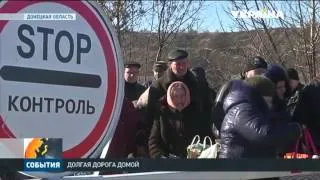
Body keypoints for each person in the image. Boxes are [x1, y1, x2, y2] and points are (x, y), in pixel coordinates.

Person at [218, 76, 302, 158]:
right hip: (236, 167)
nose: (269, 105)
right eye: (268, 101)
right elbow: (263, 134)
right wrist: (295, 129)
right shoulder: (241, 110)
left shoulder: (253, 110)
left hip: (249, 166)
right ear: (259, 97)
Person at [146, 49, 213, 139]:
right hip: (167, 137)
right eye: (177, 64)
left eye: (184, 64)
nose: (181, 67)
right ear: (170, 65)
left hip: (195, 137)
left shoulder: (197, 84)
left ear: (188, 63)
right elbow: (150, 115)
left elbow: (206, 109)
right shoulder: (158, 86)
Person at [149, 81, 198, 158]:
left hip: (192, 162)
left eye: (182, 96)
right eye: (175, 96)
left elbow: (204, 136)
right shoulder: (162, 114)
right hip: (168, 163)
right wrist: (160, 158)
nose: (179, 100)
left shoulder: (195, 113)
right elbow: (153, 143)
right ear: (170, 97)